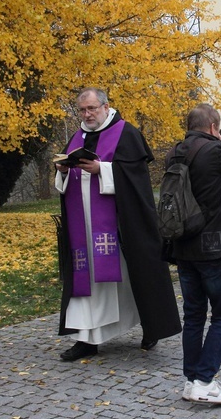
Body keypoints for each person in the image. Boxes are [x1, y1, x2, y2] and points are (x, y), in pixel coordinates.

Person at [54, 88, 181, 362]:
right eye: (83, 110)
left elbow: (137, 178)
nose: (87, 115)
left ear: (105, 106)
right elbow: (65, 178)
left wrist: (104, 170)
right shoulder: (78, 137)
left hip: (122, 224)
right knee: (86, 279)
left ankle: (151, 325)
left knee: (134, 275)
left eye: (92, 109)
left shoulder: (126, 133)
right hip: (83, 227)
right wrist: (63, 170)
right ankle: (86, 339)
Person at [167, 103, 221, 404]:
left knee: (193, 314)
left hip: (183, 245)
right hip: (213, 247)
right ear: (213, 127)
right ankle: (205, 380)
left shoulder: (175, 152)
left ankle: (192, 379)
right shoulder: (216, 151)